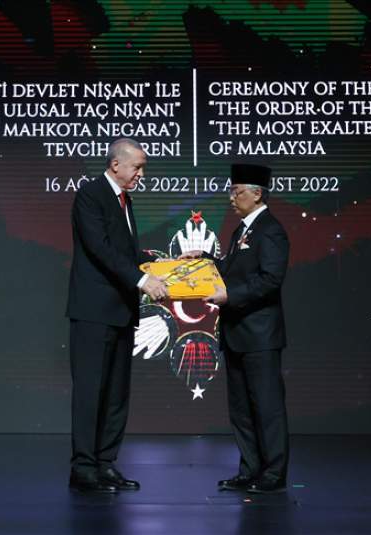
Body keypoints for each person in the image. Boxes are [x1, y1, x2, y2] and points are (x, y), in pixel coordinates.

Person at [65, 138, 168, 493]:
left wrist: (166, 264)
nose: (141, 174)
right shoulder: (90, 195)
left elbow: (127, 252)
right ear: (115, 165)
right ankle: (84, 468)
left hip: (121, 312)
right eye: (138, 167)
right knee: (91, 391)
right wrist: (142, 280)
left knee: (115, 394)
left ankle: (105, 463)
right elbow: (101, 249)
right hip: (94, 312)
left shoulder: (125, 200)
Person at [183, 163, 290, 494]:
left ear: (257, 194)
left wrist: (231, 296)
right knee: (241, 409)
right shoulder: (241, 231)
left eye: (237, 191)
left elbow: (270, 279)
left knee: (267, 408)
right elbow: (231, 269)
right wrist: (205, 259)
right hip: (237, 333)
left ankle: (273, 474)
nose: (231, 198)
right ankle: (249, 469)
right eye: (231, 191)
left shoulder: (270, 230)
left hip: (260, 335)